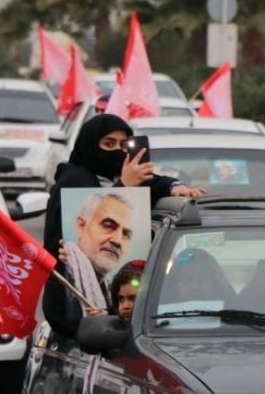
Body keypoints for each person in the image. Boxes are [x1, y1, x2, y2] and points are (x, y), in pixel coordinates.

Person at [42, 114, 204, 339]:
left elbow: (153, 181)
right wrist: (124, 186)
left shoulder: (111, 177)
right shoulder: (73, 181)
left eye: (123, 145)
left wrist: (174, 186)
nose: (117, 151)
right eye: (108, 144)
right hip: (73, 314)